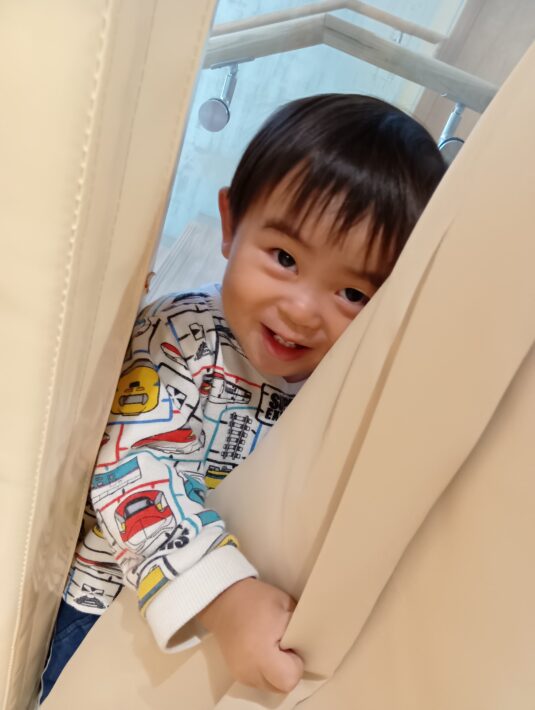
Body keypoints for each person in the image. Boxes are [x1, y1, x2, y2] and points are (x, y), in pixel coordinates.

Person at [40, 93, 446, 702]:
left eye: (353, 294)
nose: (302, 310)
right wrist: (227, 599)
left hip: (236, 616)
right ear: (231, 225)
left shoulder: (343, 380)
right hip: (111, 607)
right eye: (284, 258)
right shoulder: (183, 335)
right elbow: (134, 470)